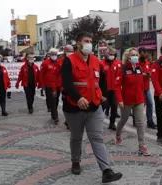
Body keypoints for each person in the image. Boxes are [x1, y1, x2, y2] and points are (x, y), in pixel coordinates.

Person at [61, 31, 122, 183]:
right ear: (78, 44)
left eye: (91, 41)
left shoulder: (95, 61)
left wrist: (102, 94)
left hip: (94, 107)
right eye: (86, 41)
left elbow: (101, 80)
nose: (89, 44)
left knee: (97, 138)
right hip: (75, 107)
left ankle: (106, 170)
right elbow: (67, 84)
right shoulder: (69, 61)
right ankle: (76, 161)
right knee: (76, 137)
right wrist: (78, 97)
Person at [115, 47, 150, 156]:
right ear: (128, 57)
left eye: (136, 55)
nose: (135, 57)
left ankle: (142, 145)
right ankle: (118, 134)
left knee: (140, 122)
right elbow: (117, 86)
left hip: (139, 99)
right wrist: (120, 100)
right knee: (123, 120)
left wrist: (143, 99)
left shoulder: (139, 68)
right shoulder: (123, 69)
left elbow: (141, 84)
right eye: (133, 55)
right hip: (127, 101)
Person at [100, 47, 121, 131]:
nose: (112, 56)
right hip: (105, 90)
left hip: (114, 89)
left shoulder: (118, 63)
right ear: (106, 54)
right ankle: (97, 122)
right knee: (103, 106)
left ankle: (112, 123)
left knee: (114, 106)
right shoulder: (101, 64)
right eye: (110, 54)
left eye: (113, 54)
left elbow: (120, 76)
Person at [40, 48, 61, 124]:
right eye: (52, 54)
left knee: (56, 100)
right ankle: (55, 117)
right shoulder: (45, 63)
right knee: (52, 101)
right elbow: (41, 74)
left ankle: (53, 113)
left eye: (55, 54)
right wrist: (42, 85)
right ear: (49, 54)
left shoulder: (59, 62)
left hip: (57, 85)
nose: (54, 56)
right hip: (49, 86)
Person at [138, 47, 156, 129]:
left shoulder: (147, 63)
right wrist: (142, 75)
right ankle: (137, 120)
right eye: (142, 53)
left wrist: (149, 74)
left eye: (145, 53)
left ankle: (150, 121)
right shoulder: (136, 64)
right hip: (139, 88)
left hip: (147, 87)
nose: (144, 55)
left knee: (150, 104)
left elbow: (150, 71)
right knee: (139, 105)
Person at [58, 45, 74, 130]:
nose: (70, 53)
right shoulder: (60, 61)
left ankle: (71, 121)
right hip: (64, 87)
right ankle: (67, 120)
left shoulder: (76, 60)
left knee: (73, 105)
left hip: (74, 86)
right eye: (68, 51)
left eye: (71, 51)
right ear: (64, 52)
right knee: (66, 105)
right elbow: (57, 75)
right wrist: (60, 87)